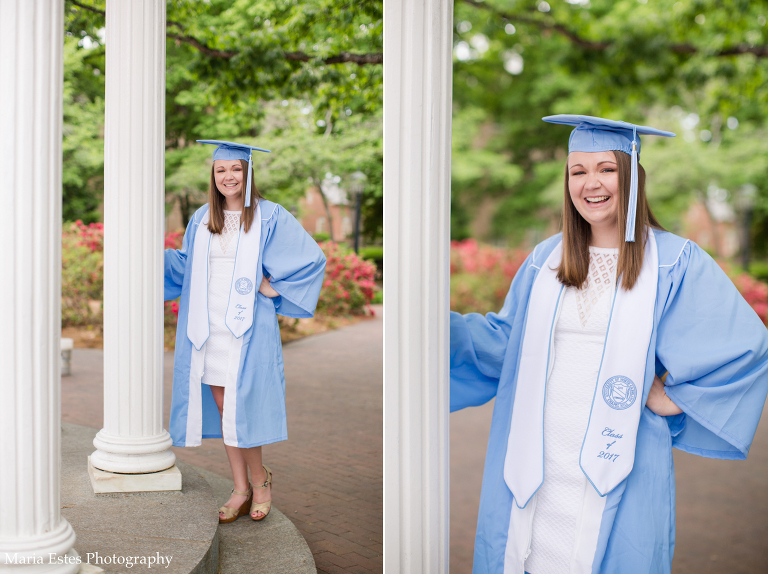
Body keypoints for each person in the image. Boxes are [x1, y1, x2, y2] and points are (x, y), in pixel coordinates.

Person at [450, 116, 768, 574]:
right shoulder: (545, 259)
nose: (591, 183)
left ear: (632, 174)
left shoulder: (674, 262)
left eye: (606, 169)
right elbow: (506, 344)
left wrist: (671, 398)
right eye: (577, 172)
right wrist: (438, 328)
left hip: (620, 457)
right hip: (535, 456)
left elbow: (744, 346)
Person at [164, 140, 326, 524]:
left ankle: (260, 480)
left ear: (248, 172)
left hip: (247, 328)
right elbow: (185, 265)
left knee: (241, 408)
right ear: (213, 176)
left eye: (235, 169)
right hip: (208, 327)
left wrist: (273, 288)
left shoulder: (269, 217)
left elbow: (310, 258)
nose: (228, 177)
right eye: (221, 171)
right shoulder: (202, 218)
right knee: (223, 408)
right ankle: (240, 487)